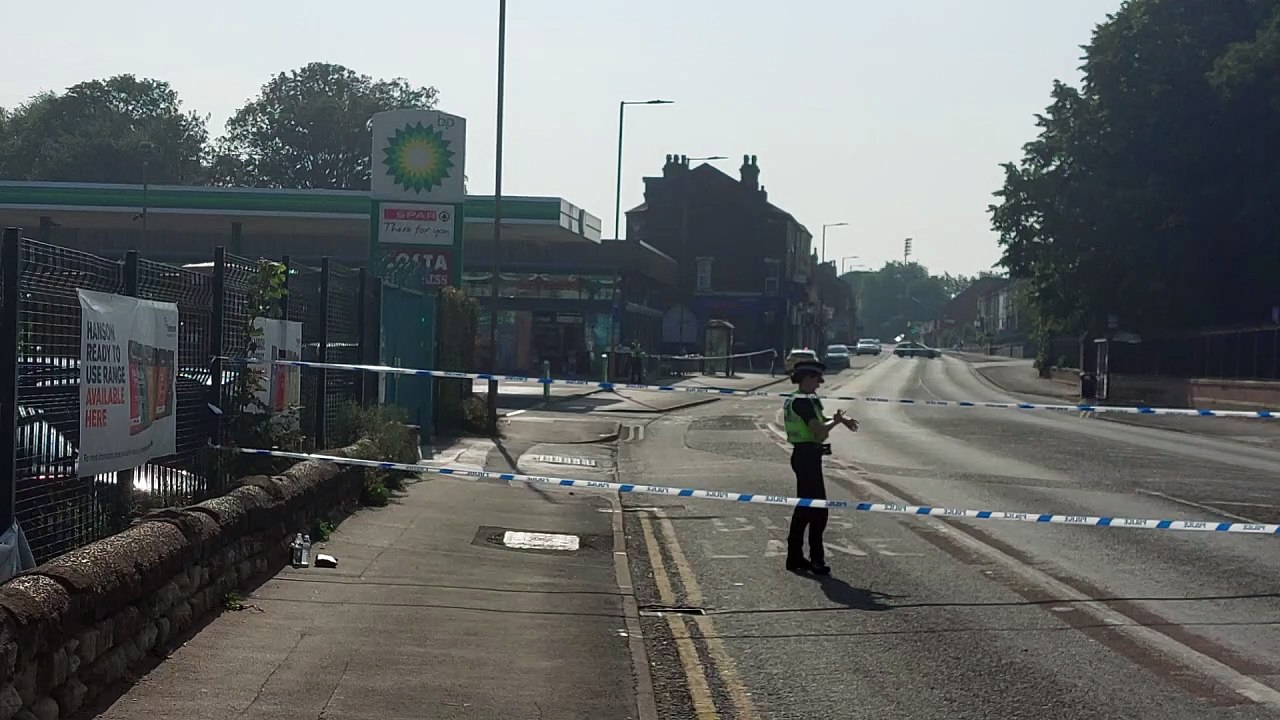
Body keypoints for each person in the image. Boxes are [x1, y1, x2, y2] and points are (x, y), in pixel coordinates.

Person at [782, 359, 858, 575]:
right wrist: (835, 423)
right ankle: (815, 559)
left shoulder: (805, 399)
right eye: (816, 380)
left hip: (806, 456)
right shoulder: (803, 402)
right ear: (806, 379)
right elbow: (818, 430)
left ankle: (795, 557)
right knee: (817, 511)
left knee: (806, 510)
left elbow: (820, 419)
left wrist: (839, 419)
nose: (819, 384)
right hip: (806, 456)